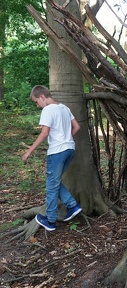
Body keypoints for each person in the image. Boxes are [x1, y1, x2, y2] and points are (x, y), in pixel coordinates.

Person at [22, 85, 82, 231]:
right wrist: (66, 139)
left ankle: (50, 220)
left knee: (51, 186)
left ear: (42, 97)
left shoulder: (47, 110)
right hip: (69, 149)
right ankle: (72, 206)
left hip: (57, 152)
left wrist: (29, 151)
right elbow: (77, 127)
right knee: (54, 182)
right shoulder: (64, 108)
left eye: (36, 102)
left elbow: (44, 133)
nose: (37, 105)